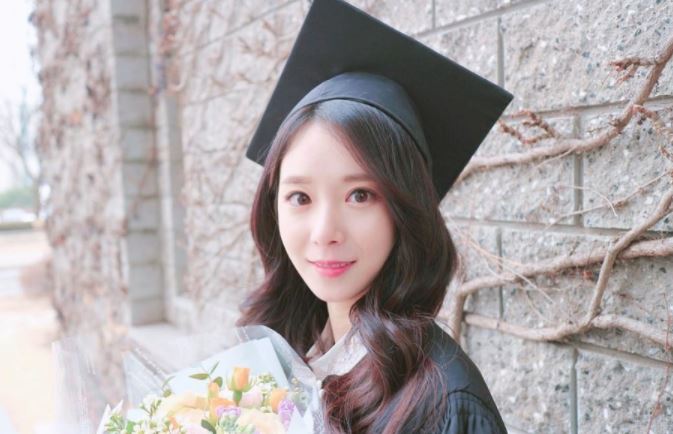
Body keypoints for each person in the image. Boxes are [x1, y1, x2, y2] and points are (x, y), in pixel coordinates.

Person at [237, 0, 513, 432]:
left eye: (360, 195)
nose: (325, 232)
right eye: (300, 197)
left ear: (405, 210)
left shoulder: (446, 405)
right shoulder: (283, 362)